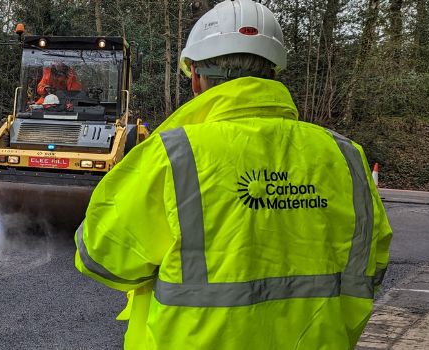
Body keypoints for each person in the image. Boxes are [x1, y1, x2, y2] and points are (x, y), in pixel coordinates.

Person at [74, 1, 393, 349]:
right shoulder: (345, 156)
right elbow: (370, 270)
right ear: (273, 72)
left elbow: (101, 256)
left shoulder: (173, 155)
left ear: (196, 77)